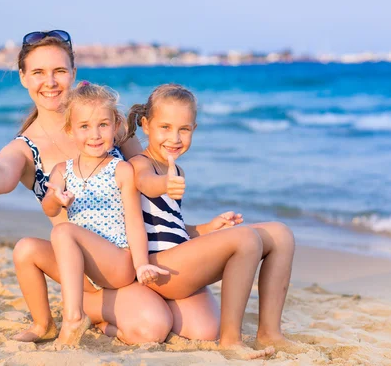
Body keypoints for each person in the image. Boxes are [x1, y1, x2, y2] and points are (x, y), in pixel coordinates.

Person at [0, 30, 173, 345]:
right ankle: (44, 323)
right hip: (79, 275)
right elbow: (3, 173)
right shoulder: (24, 147)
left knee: (155, 328)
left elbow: (147, 181)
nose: (50, 81)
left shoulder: (107, 126)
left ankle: (97, 315)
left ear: (73, 73)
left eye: (59, 71)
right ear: (23, 77)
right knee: (27, 249)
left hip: (122, 260)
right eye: (38, 73)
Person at [127, 84, 296, 359]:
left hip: (179, 258)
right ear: (146, 125)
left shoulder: (178, 168)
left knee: (280, 233)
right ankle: (231, 341)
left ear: (194, 128)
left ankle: (270, 331)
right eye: (165, 127)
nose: (175, 137)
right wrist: (164, 184)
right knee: (245, 239)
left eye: (184, 129)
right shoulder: (140, 163)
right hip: (157, 267)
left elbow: (172, 228)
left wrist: (208, 229)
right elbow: (146, 183)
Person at [41, 82, 169, 346]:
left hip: (117, 263)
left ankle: (73, 317)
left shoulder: (121, 170)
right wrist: (55, 200)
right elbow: (49, 208)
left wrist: (140, 263)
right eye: (84, 126)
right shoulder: (61, 171)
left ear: (115, 125)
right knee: (25, 249)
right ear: (70, 130)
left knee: (63, 231)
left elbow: (134, 221)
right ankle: (42, 323)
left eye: (103, 125)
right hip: (86, 268)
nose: (95, 134)